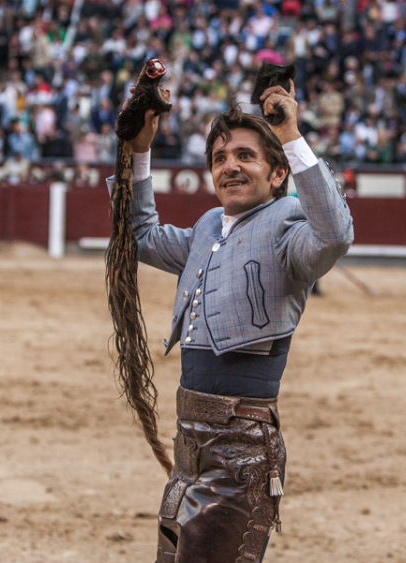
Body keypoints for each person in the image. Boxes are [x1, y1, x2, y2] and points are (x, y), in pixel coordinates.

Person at [109, 81, 353, 563]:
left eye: (245, 156)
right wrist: (140, 152)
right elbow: (139, 234)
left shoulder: (288, 227)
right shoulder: (205, 227)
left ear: (278, 172)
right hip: (190, 443)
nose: (230, 167)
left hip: (243, 447)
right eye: (220, 159)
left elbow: (334, 235)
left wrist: (290, 133)